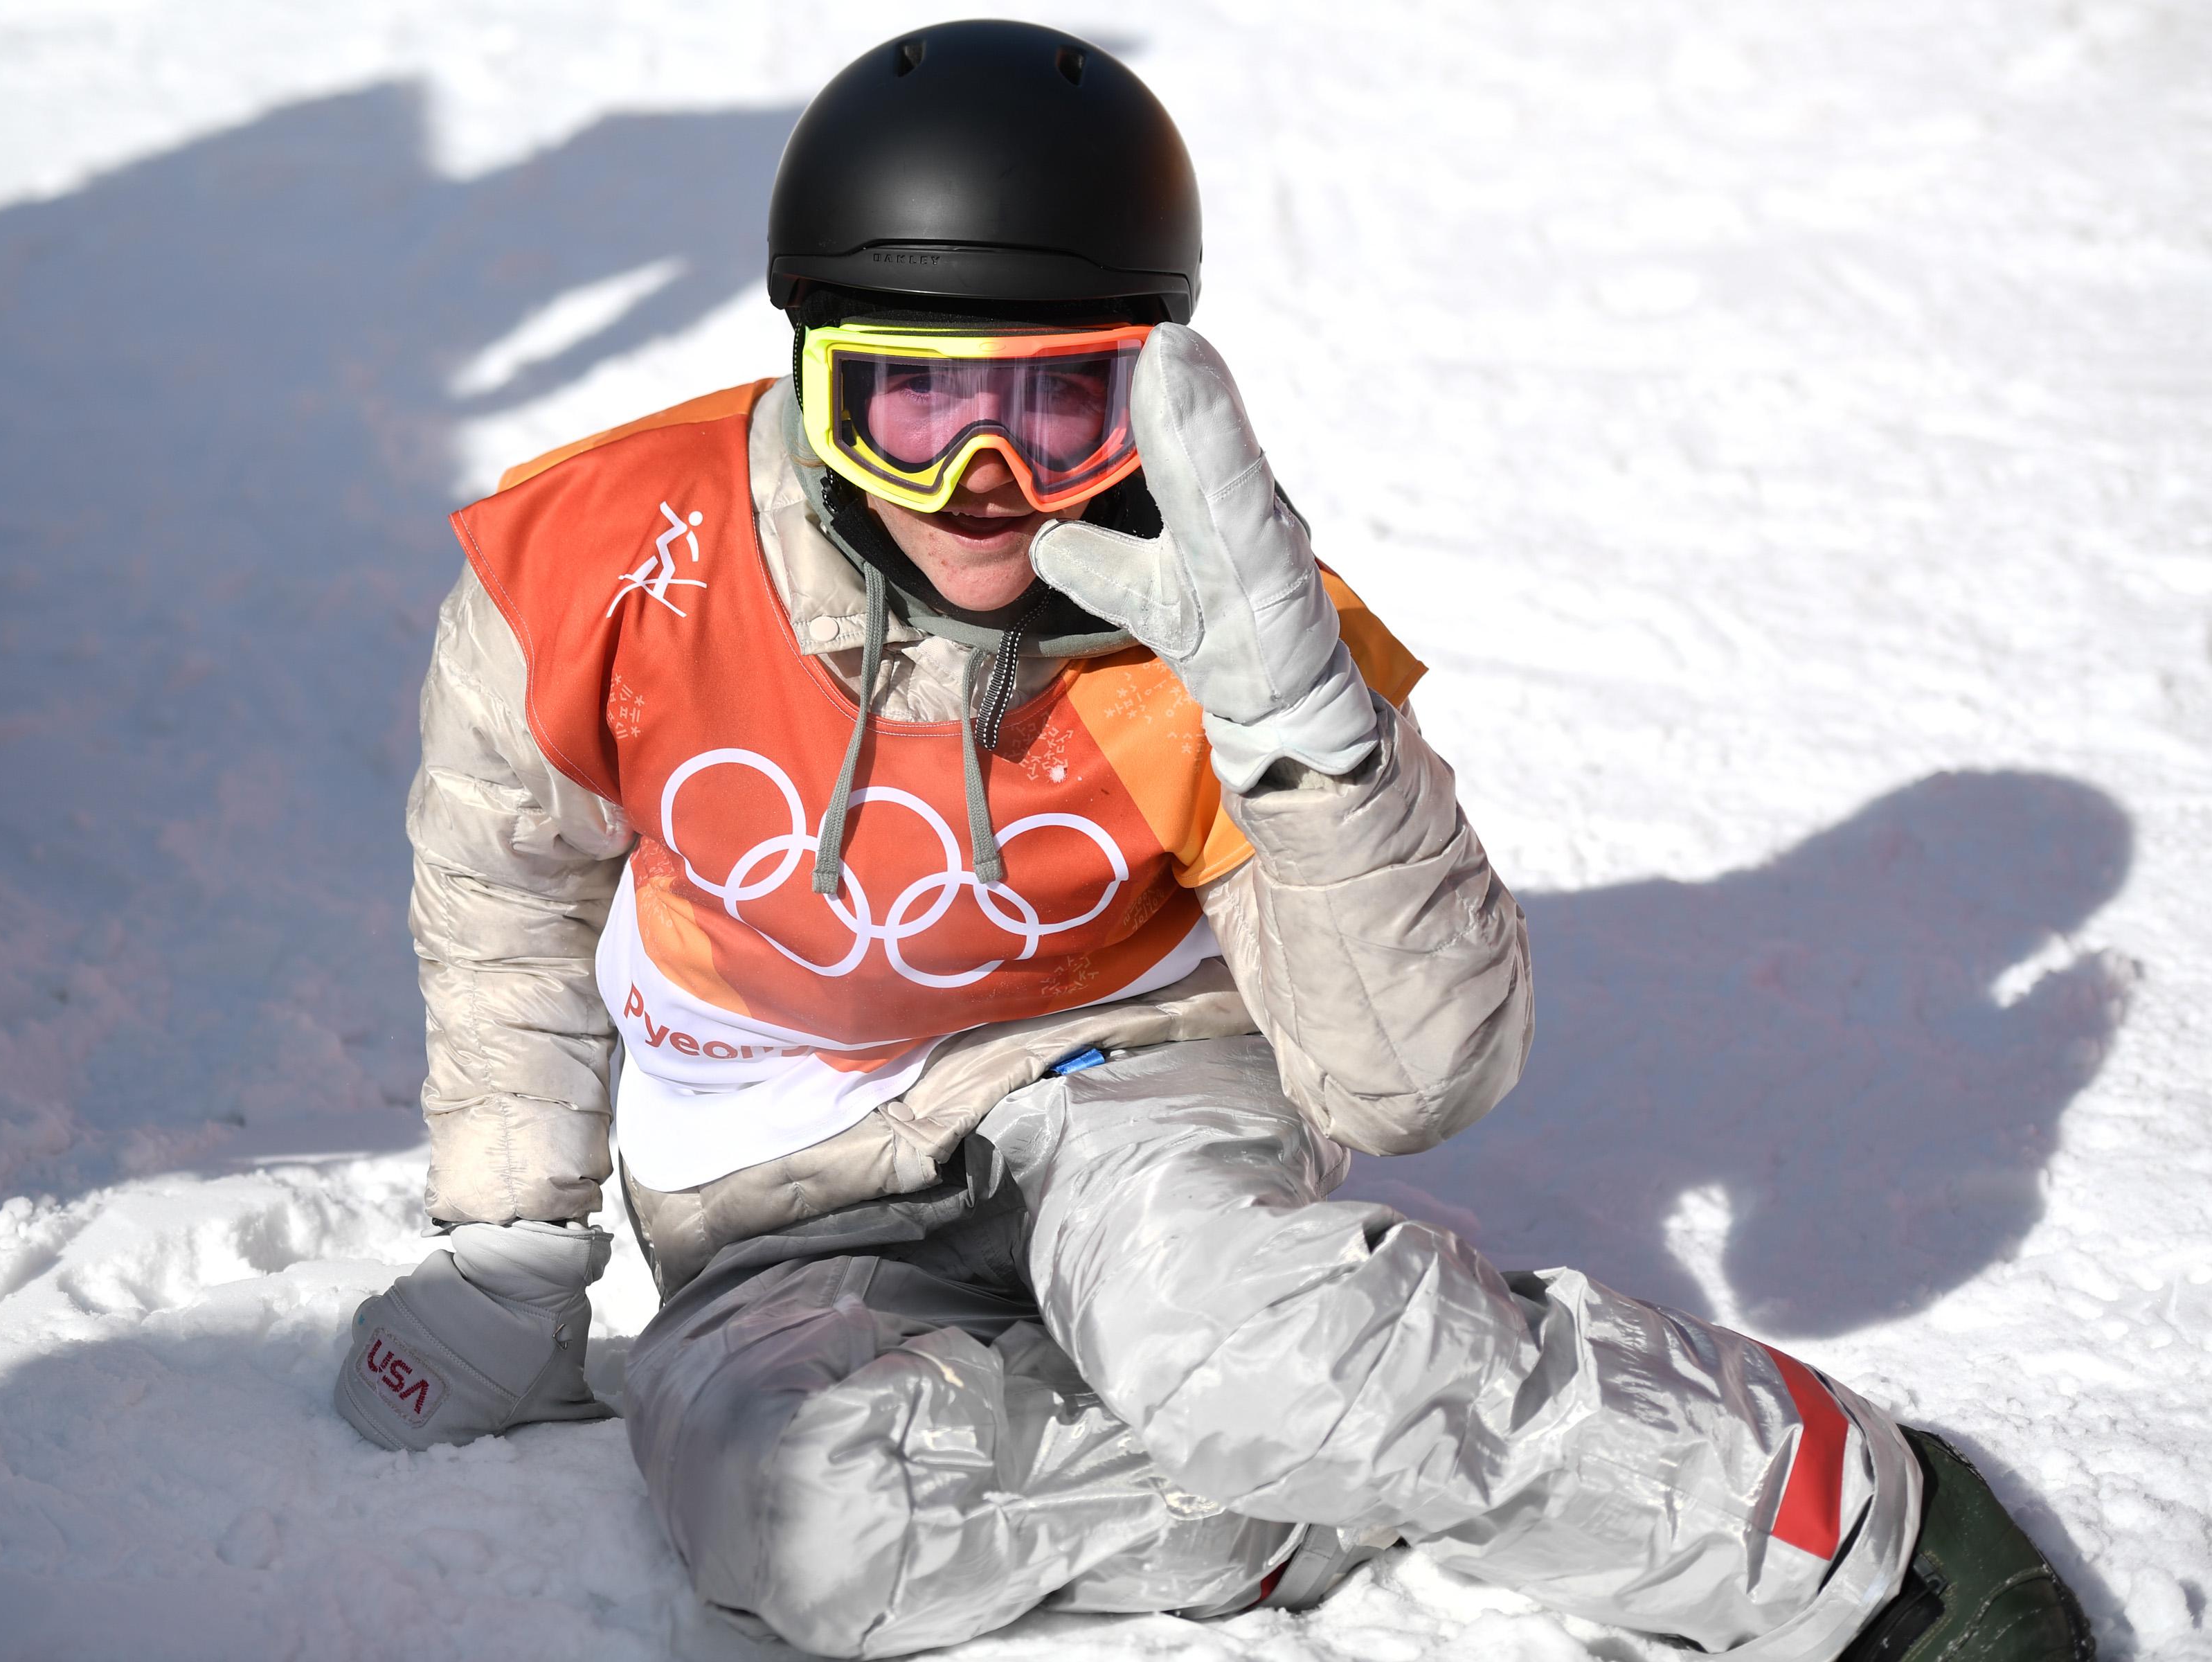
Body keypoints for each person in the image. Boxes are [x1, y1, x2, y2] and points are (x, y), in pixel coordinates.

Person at [332, 22, 2092, 1661]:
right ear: (812, 375)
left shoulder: (1215, 614)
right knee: (800, 1528)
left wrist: (1295, 719)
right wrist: (516, 1243)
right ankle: (1358, 1449)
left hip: (1123, 1081)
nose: (987, 492)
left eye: (1062, 411)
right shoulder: (598, 566)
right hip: (777, 1177)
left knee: (1259, 1353)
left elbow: (1410, 1083)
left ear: (1151, 388)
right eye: (915, 410)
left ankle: (1844, 1527)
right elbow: (503, 899)